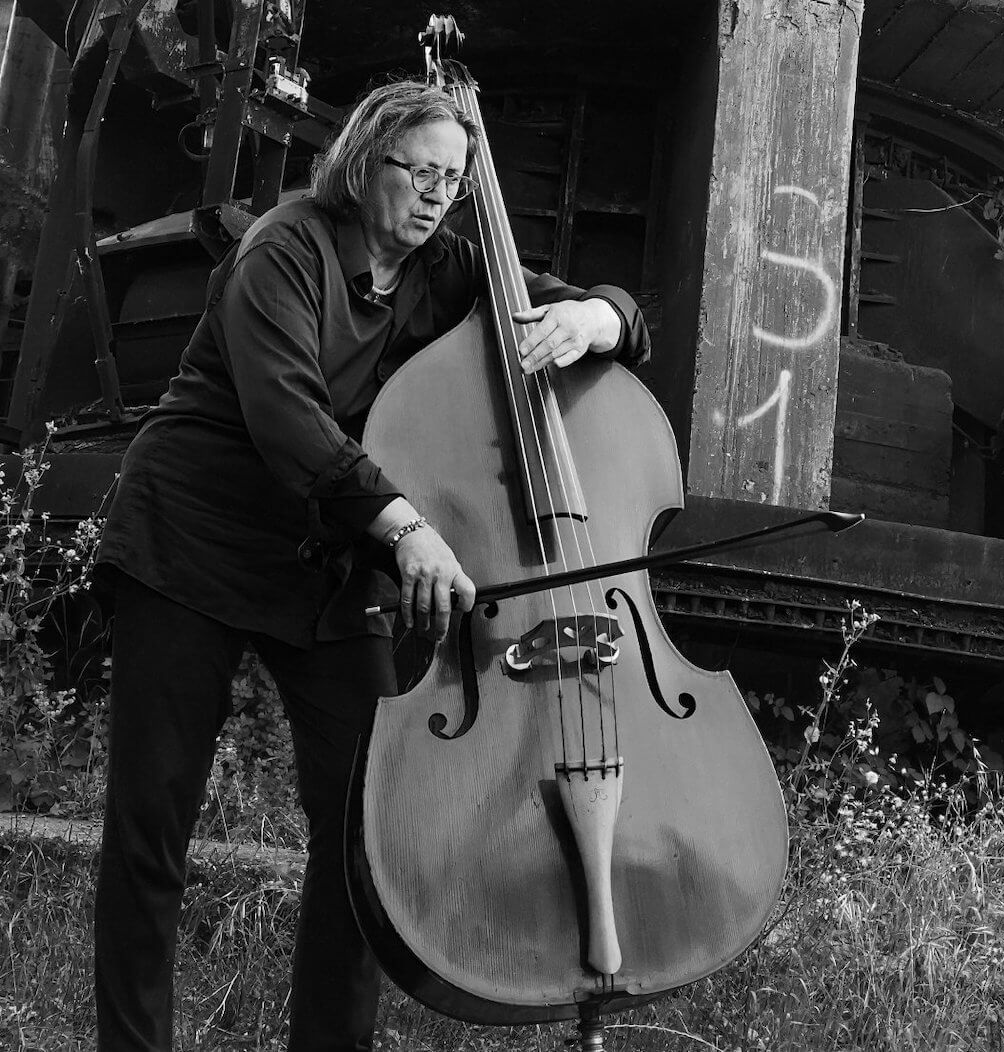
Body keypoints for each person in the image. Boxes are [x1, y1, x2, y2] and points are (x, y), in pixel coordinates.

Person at [91, 80, 650, 1052]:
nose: (436, 194)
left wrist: (596, 319)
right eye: (417, 170)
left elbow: (595, 312)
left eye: (453, 176)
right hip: (191, 544)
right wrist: (406, 530)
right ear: (362, 165)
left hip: (326, 571)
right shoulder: (284, 248)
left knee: (357, 844)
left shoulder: (444, 268)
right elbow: (287, 418)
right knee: (154, 834)